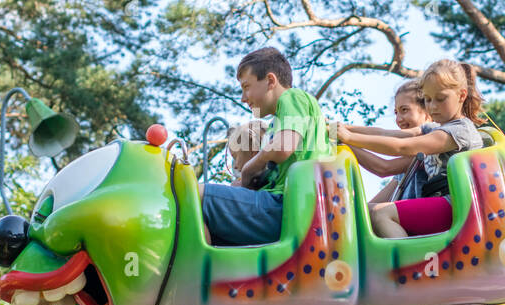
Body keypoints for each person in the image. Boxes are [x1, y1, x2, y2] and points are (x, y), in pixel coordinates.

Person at [334, 59, 486, 237]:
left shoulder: (460, 130)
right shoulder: (435, 129)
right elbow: (387, 134)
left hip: (454, 205)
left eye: (440, 98)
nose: (433, 106)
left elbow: (403, 147)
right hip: (438, 203)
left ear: (461, 95)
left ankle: (409, 263)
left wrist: (349, 138)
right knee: (368, 213)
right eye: (428, 99)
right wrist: (344, 128)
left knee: (379, 213)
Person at [201, 47, 333, 246]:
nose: (243, 97)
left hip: (287, 207)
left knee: (195, 194)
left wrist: (248, 169)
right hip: (284, 206)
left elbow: (283, 147)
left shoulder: (293, 98)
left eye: (246, 86)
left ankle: (197, 273)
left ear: (271, 81)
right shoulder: (276, 124)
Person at [347, 79, 430, 208]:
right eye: (396, 112)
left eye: (404, 110)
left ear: (427, 110)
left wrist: (345, 140)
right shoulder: (405, 166)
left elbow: (384, 167)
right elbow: (373, 206)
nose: (398, 119)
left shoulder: (432, 142)